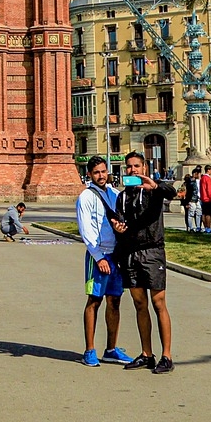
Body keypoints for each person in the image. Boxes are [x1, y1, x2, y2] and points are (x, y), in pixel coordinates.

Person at [112, 152, 178, 372]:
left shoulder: (154, 191)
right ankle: (146, 354)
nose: (133, 170)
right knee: (140, 304)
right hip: (131, 254)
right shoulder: (122, 197)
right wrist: (118, 228)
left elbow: (172, 192)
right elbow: (121, 223)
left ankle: (166, 356)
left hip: (152, 252)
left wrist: (156, 186)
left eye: (137, 166)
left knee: (159, 303)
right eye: (129, 167)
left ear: (144, 168)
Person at [75, 157, 130, 368]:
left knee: (114, 301)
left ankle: (111, 349)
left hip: (116, 255)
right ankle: (89, 350)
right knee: (94, 300)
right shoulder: (86, 197)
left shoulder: (114, 194)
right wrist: (98, 257)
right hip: (98, 256)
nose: (101, 175)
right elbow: (85, 230)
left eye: (103, 171)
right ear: (89, 174)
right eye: (96, 172)